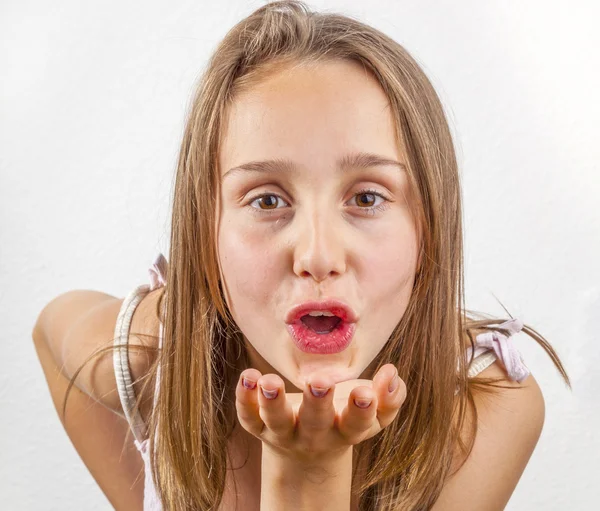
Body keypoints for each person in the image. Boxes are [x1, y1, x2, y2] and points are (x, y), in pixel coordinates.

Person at [32, 1, 571, 509]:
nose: (317, 255)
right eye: (267, 200)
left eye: (366, 198)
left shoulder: (483, 411)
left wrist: (309, 468)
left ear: (429, 235)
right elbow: (53, 328)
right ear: (206, 240)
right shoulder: (155, 354)